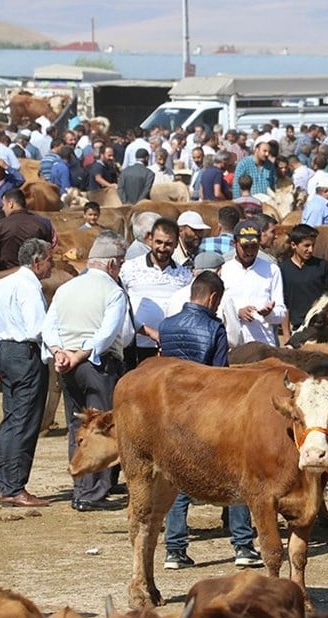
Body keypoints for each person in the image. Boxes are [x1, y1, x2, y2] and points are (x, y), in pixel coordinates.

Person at [158, 271, 265, 569]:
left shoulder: (166, 326)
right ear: (213, 298)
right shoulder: (214, 328)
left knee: (179, 478)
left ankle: (174, 550)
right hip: (209, 412)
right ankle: (243, 545)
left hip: (175, 411)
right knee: (237, 475)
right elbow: (220, 376)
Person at [43, 234, 128, 512]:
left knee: (76, 426)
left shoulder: (67, 288)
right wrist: (81, 353)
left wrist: (60, 353)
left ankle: (80, 486)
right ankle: (94, 492)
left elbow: (49, 327)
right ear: (113, 264)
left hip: (67, 365)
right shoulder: (113, 292)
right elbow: (107, 334)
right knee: (101, 427)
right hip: (98, 364)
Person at [0, 238, 55, 508]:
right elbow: (37, 328)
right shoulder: (29, 287)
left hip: (7, 352)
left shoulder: (3, 283)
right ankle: (14, 486)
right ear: (37, 262)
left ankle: (5, 483)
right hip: (26, 354)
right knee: (25, 422)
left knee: (11, 420)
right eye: (49, 260)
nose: (52, 265)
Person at [119, 218, 193, 361]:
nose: (162, 248)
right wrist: (148, 331)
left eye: (168, 244)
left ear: (176, 244)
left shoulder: (185, 275)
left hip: (171, 347)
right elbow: (121, 307)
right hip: (136, 346)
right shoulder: (129, 268)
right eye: (158, 242)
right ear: (150, 239)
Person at [219, 220, 286, 347]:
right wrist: (236, 313)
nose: (249, 251)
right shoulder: (224, 270)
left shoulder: (272, 270)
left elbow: (281, 313)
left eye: (253, 246)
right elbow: (215, 310)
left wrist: (269, 314)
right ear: (234, 243)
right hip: (231, 346)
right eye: (245, 246)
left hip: (263, 345)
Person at [279, 224, 328, 334]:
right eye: (306, 245)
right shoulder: (283, 269)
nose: (310, 250)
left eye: (313, 245)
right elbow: (283, 305)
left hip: (321, 329)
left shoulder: (322, 266)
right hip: (298, 329)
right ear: (293, 245)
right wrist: (286, 335)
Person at [0, 189, 54, 271]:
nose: (2, 209)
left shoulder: (0, 225)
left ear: (10, 204)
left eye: (4, 204)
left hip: (6, 274)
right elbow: (48, 252)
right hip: (35, 274)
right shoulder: (43, 223)